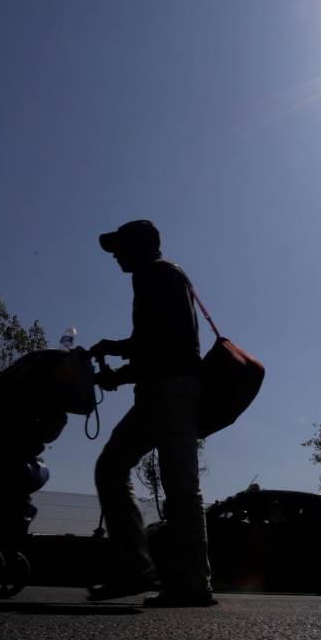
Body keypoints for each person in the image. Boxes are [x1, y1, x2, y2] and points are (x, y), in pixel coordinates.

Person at [85, 219, 214, 607]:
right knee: (181, 489)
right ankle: (191, 582)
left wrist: (118, 365)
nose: (115, 257)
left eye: (120, 249)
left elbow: (154, 345)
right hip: (174, 390)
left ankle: (139, 569)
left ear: (139, 247)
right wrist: (122, 364)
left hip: (166, 392)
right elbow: (160, 342)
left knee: (113, 468)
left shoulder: (152, 276)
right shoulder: (169, 276)